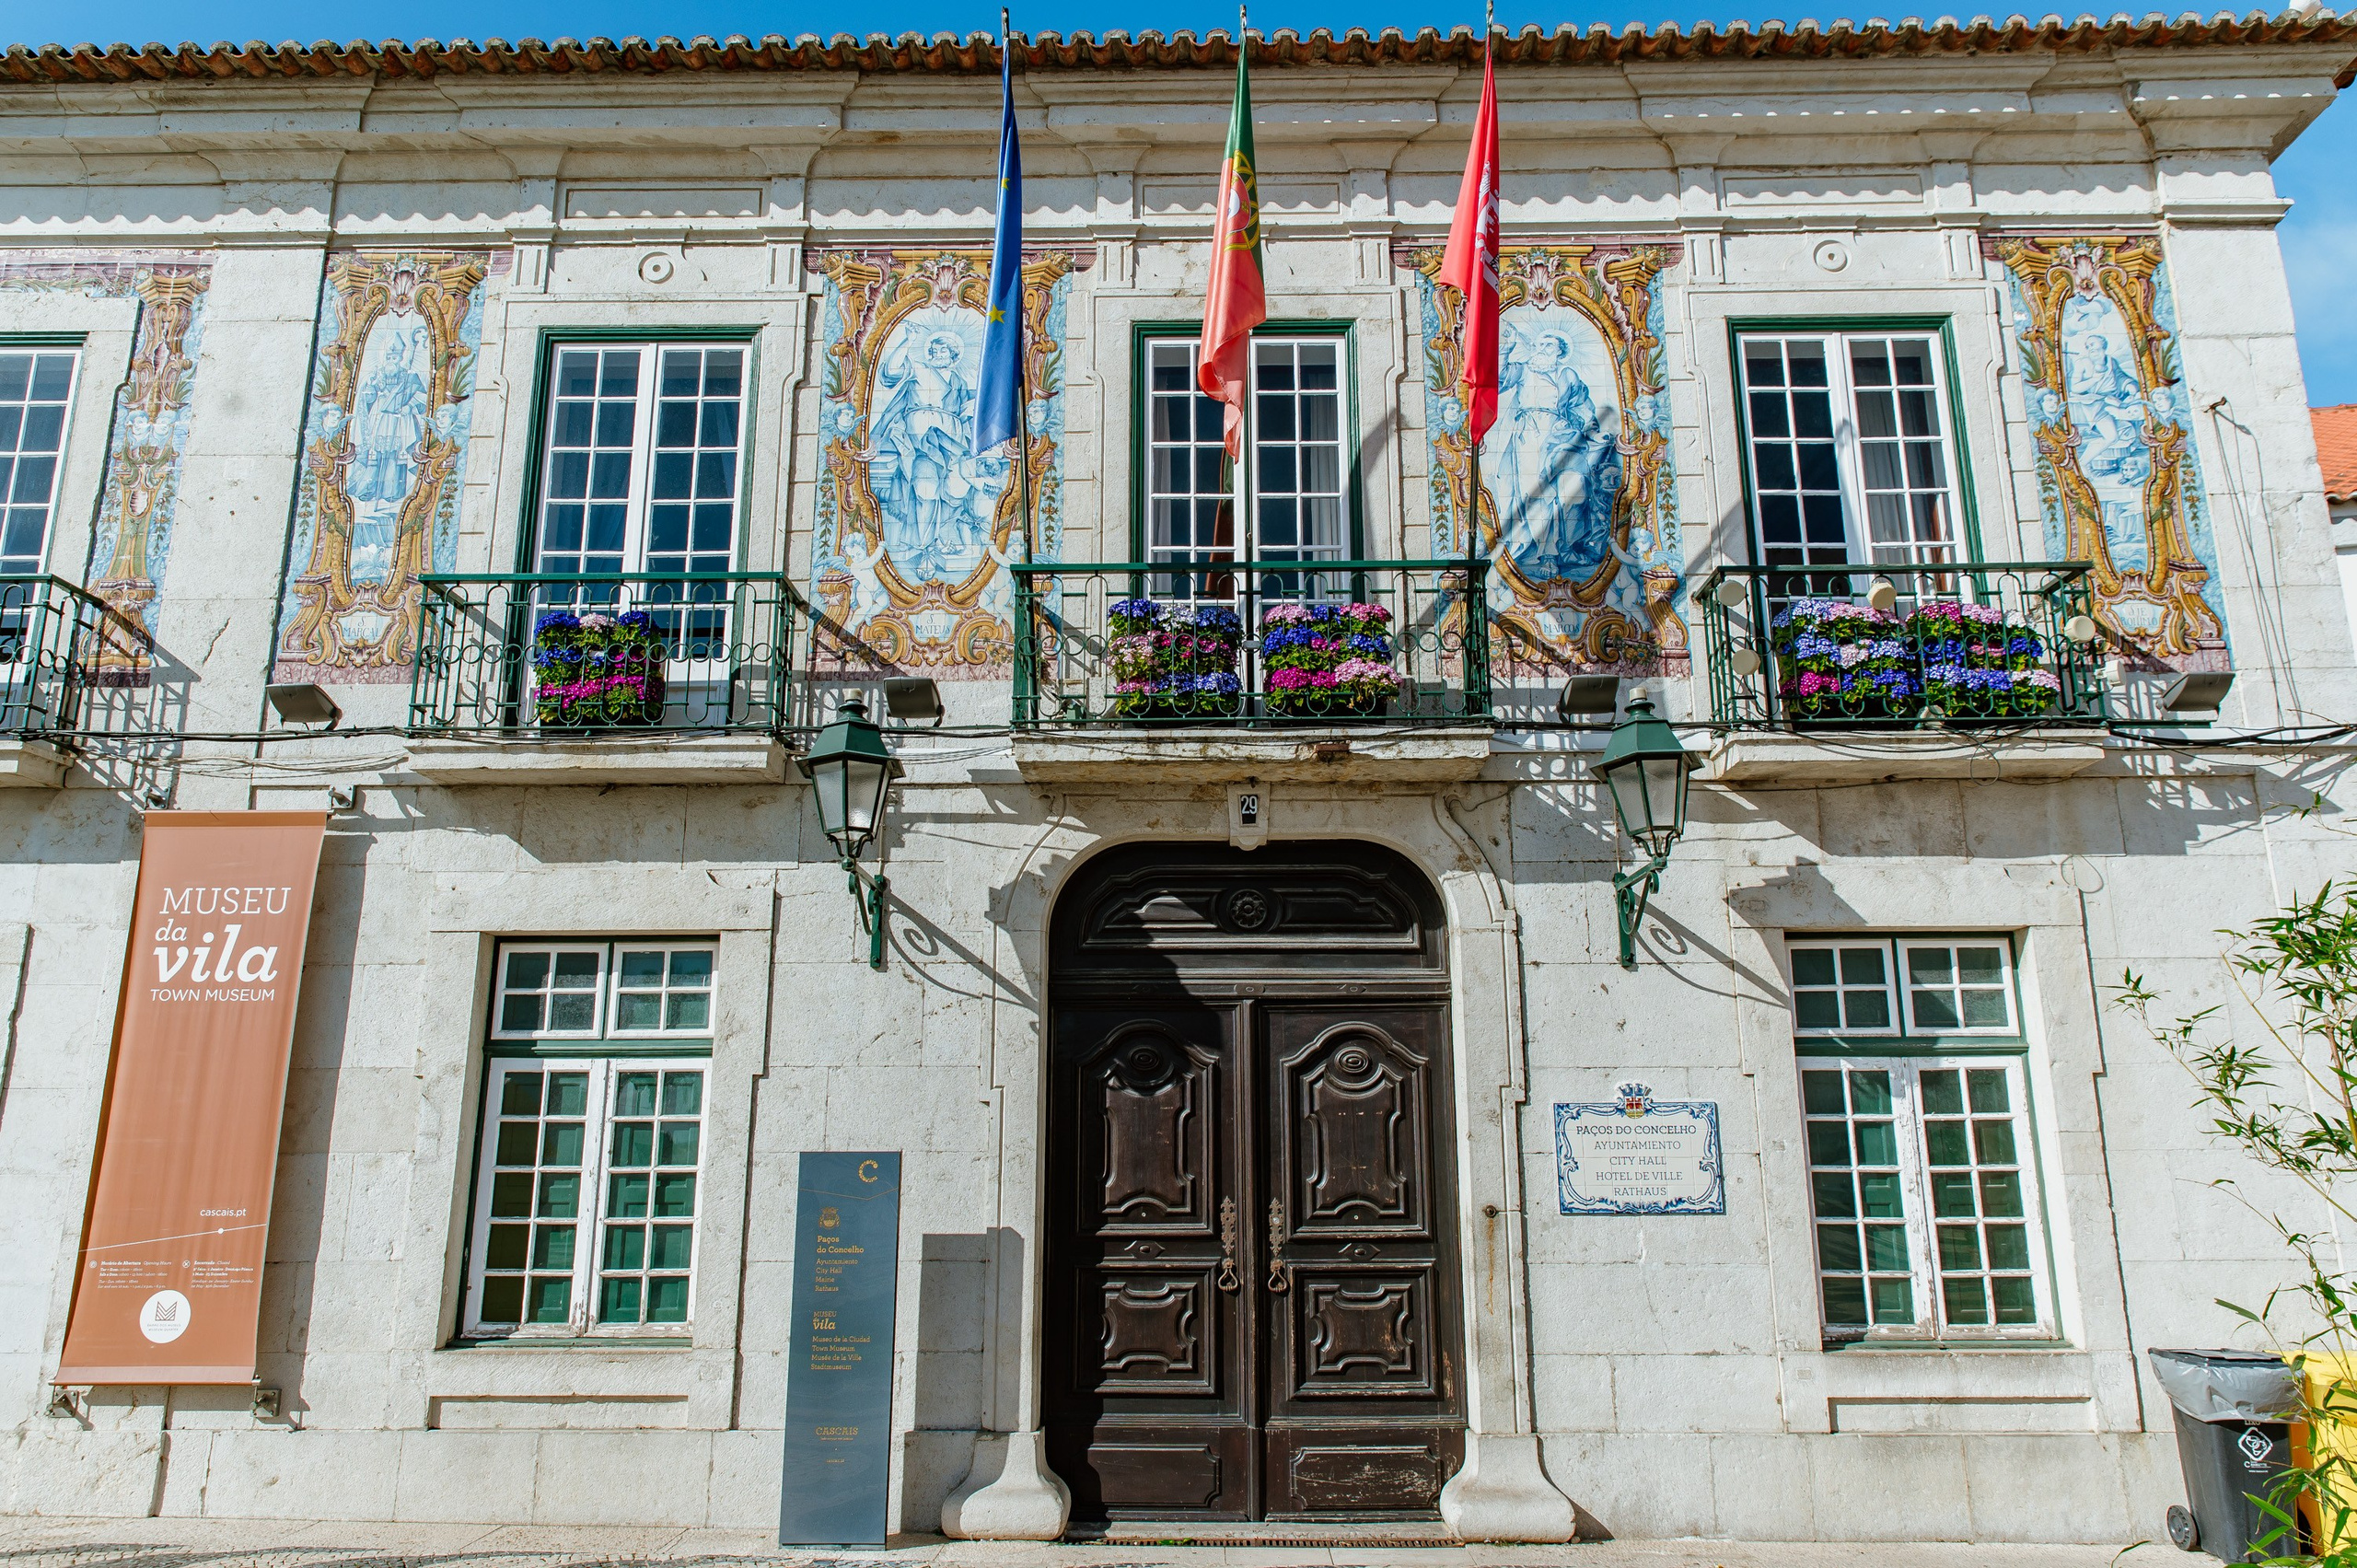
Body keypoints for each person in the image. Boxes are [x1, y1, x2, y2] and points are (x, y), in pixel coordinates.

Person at [1489, 330, 1619, 583]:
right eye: (1538, 344)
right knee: (1536, 494)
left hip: (1561, 435)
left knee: (1576, 491)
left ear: (1560, 350)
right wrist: (1507, 346)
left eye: (1548, 345)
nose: (1541, 348)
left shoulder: (1567, 375)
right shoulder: (1525, 370)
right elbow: (1497, 380)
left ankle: (1565, 547)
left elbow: (1584, 407)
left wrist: (1594, 430)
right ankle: (1547, 553)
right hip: (1529, 435)